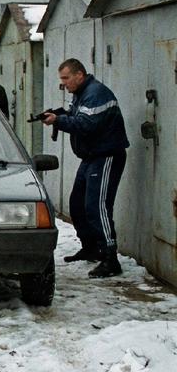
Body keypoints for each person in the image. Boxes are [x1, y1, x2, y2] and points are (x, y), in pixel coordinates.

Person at [42, 58, 130, 278]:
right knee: (78, 203)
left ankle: (110, 258)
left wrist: (58, 121)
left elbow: (87, 125)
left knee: (96, 207)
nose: (63, 83)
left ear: (79, 75)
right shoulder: (81, 94)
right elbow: (77, 116)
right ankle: (90, 247)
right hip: (90, 157)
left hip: (106, 155)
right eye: (61, 79)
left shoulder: (96, 92)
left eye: (66, 78)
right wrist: (60, 114)